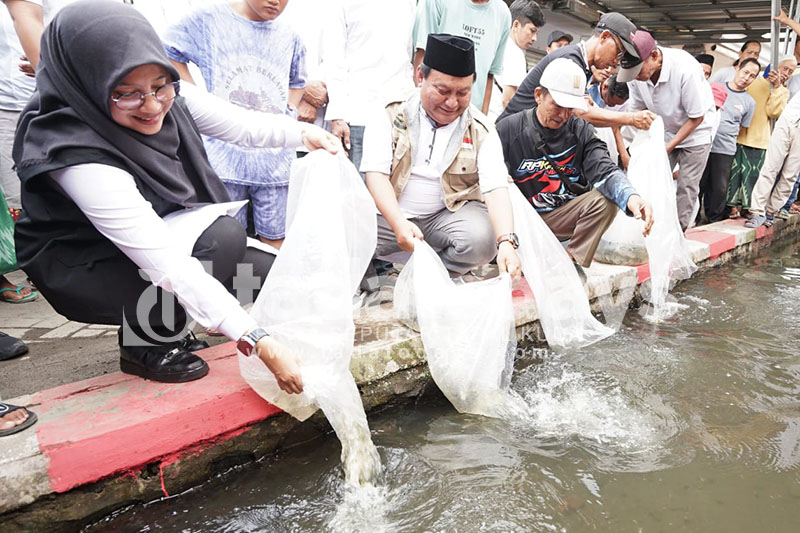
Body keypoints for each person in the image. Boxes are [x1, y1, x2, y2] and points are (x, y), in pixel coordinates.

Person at [13, 1, 339, 391]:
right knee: (220, 242)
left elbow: (240, 124)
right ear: (88, 82)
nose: (151, 106)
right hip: (82, 262)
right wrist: (256, 340)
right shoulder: (74, 150)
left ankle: (167, 323)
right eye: (127, 93)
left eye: (159, 87)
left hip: (146, 238)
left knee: (257, 271)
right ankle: (145, 344)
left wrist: (305, 135)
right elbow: (162, 259)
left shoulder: (168, 96)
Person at [361, 33, 521, 280]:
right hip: (386, 218)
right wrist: (398, 224)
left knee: (482, 239)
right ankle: (369, 276)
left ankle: (434, 279)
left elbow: (495, 189)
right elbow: (376, 175)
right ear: (419, 77)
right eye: (442, 90)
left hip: (442, 219)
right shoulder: (389, 112)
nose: (451, 102)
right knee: (342, 230)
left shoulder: (481, 129)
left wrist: (506, 243)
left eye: (462, 93)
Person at [164, 0, 306, 250]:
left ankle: (268, 288)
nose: (276, 2)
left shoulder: (290, 36)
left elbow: (297, 81)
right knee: (229, 240)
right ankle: (234, 290)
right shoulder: (209, 19)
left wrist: (288, 112)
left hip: (273, 162)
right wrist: (196, 100)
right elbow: (168, 51)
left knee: (276, 240)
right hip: (224, 158)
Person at [497, 58, 653, 270]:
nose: (562, 115)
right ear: (538, 96)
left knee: (605, 201)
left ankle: (569, 262)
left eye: (570, 108)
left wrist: (631, 196)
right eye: (557, 105)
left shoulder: (581, 131)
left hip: (559, 216)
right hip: (521, 220)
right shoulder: (509, 130)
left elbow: (605, 169)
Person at [496, 12, 655, 132]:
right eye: (619, 52)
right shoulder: (570, 61)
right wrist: (631, 118)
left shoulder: (581, 65)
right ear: (605, 37)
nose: (616, 61)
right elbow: (580, 112)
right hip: (512, 139)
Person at [627, 30, 715, 231]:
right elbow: (637, 111)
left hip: (697, 132)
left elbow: (697, 116)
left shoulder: (685, 68)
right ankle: (651, 228)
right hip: (665, 130)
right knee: (653, 179)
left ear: (655, 56)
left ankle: (678, 232)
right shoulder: (635, 74)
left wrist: (667, 147)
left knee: (687, 185)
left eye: (639, 71)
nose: (636, 77)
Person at [323, 0, 416, 176]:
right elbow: (334, 59)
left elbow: (406, 57)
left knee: (391, 194)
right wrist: (337, 116)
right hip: (358, 117)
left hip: (397, 118)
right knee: (358, 195)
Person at [413, 0, 511, 115]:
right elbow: (422, 57)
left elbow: (489, 74)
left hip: (468, 118)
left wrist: (481, 120)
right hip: (431, 112)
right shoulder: (437, 2)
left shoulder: (503, 14)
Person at [0, 7, 37, 303]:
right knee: (13, 195)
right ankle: (28, 264)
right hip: (2, 105)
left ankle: (48, 262)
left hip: (44, 97)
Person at [726, 55, 793, 219]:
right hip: (740, 135)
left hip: (761, 139)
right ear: (775, 66)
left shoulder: (783, 91)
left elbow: (774, 112)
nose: (787, 73)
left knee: (753, 177)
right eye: (784, 68)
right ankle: (731, 207)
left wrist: (777, 88)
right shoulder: (753, 82)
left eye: (791, 71)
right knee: (734, 175)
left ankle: (749, 208)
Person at [698, 59, 757, 223]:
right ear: (738, 69)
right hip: (703, 144)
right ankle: (692, 218)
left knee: (720, 187)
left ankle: (714, 220)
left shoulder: (749, 102)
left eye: (752, 76)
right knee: (698, 183)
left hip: (725, 149)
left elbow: (742, 128)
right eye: (745, 72)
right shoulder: (716, 87)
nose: (747, 78)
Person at [745, 90, 800, 228]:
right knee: (770, 167)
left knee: (790, 175)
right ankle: (757, 211)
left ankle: (771, 210)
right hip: (789, 119)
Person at [487, 0, 544, 121]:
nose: (535, 38)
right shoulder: (515, 54)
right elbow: (508, 101)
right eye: (532, 31)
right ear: (516, 25)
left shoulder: (496, 42)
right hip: (497, 122)